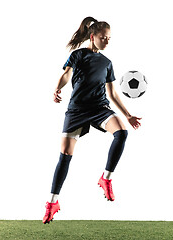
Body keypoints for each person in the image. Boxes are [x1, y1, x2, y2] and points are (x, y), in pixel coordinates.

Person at [43, 16, 142, 224]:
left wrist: (128, 115)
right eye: (103, 37)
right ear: (92, 36)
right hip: (77, 110)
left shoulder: (107, 63)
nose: (107, 41)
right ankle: (52, 203)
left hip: (99, 107)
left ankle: (106, 178)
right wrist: (57, 88)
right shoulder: (78, 55)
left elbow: (113, 94)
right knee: (65, 155)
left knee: (122, 132)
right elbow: (66, 75)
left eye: (109, 38)